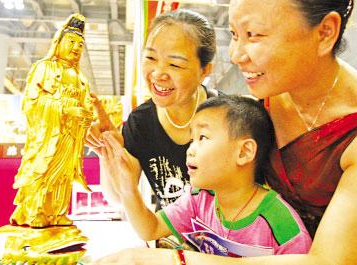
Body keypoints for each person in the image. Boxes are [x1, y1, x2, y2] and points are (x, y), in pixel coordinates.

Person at [89, 0, 357, 264]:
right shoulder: (263, 99)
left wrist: (176, 259)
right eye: (234, 35)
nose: (235, 55)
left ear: (325, 32)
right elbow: (144, 220)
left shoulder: (345, 132)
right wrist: (110, 156)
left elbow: (331, 260)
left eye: (254, 34)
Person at [99, 95, 312, 256]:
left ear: (244, 152)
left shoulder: (282, 225)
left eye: (202, 137)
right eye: (192, 139)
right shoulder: (199, 197)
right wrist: (127, 186)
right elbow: (151, 229)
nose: (190, 150)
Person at [86, 9, 218, 210]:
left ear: (204, 71)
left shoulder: (227, 116)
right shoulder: (141, 122)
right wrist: (109, 155)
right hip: (167, 238)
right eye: (150, 58)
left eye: (175, 64)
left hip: (222, 241)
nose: (158, 74)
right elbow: (118, 198)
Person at [10, 13, 93, 228]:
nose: (76, 47)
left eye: (80, 44)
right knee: (42, 170)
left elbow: (85, 105)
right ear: (59, 42)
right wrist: (64, 109)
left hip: (69, 136)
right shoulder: (44, 68)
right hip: (48, 134)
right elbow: (32, 103)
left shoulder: (80, 77)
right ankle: (33, 211)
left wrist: (85, 115)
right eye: (72, 41)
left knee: (63, 175)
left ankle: (57, 212)